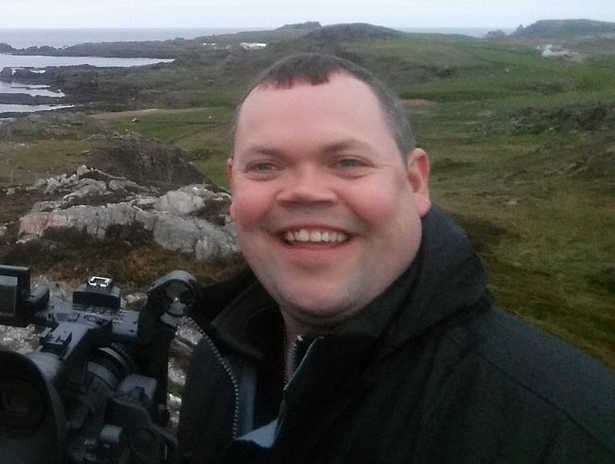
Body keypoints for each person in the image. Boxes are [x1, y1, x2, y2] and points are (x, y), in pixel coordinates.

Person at [177, 52, 615, 462]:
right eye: (265, 167)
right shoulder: (218, 360)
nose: (305, 191)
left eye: (348, 162)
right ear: (233, 187)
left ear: (415, 182)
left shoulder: (567, 430)